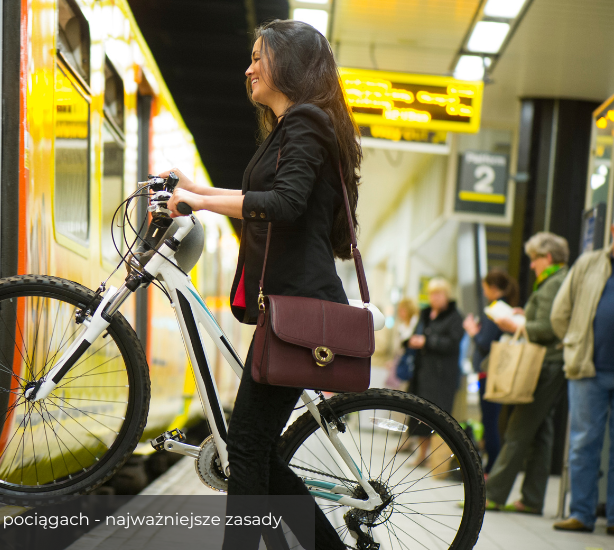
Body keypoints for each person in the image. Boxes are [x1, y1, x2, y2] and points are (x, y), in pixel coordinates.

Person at [162, 19, 359, 550]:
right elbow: (274, 196)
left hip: (301, 306)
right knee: (256, 446)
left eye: (258, 57)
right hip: (289, 304)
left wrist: (200, 202)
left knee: (246, 444)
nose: (248, 68)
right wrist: (195, 189)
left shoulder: (307, 122)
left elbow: (287, 204)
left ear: (289, 65)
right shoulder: (295, 126)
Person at [484, 232, 569, 514]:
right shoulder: (553, 280)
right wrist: (524, 316)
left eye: (534, 259)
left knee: (518, 428)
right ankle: (532, 499)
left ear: (547, 257)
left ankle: (493, 495)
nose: (531, 266)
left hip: (547, 363)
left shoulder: (556, 282)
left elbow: (550, 328)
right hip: (550, 362)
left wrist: (515, 325)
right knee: (542, 431)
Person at [549, 222, 614, 534]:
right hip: (588, 369)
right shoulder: (588, 263)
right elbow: (559, 313)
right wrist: (574, 341)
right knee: (583, 443)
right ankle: (581, 514)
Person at [463, 270, 519, 475]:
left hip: (490, 372)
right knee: (491, 420)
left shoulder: (496, 309)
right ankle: (492, 466)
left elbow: (484, 342)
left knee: (489, 421)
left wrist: (472, 330)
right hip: (496, 371)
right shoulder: (507, 308)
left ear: (492, 288)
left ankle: (491, 467)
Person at [405, 278, 465, 460]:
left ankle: (434, 457)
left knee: (436, 415)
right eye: (432, 294)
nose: (434, 297)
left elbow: (453, 343)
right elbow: (415, 333)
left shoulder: (455, 316)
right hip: (422, 372)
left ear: (447, 295)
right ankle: (421, 454)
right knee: (419, 413)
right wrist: (411, 341)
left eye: (438, 294)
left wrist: (427, 342)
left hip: (441, 376)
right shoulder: (424, 314)